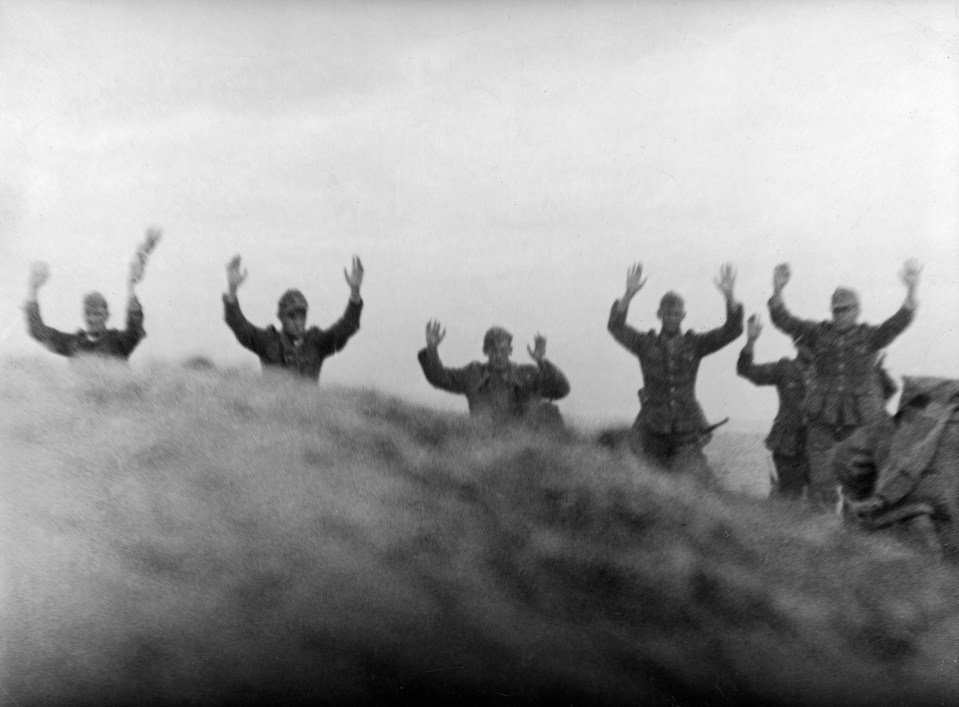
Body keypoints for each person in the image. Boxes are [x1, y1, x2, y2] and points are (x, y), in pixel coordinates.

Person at [767, 260, 920, 510]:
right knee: (820, 481)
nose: (841, 315)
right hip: (822, 419)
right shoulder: (818, 332)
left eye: (846, 309)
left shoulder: (869, 336)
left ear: (857, 310)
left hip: (860, 423)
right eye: (837, 310)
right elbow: (785, 321)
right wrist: (777, 290)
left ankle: (858, 537)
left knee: (862, 484)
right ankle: (822, 536)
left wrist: (911, 290)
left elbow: (897, 323)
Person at [607, 262, 744, 478]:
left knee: (694, 485)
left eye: (676, 313)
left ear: (683, 315)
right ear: (659, 314)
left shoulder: (695, 344)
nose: (672, 317)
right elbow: (615, 327)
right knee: (648, 483)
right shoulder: (645, 343)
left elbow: (732, 330)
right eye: (667, 313)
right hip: (652, 427)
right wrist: (629, 294)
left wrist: (729, 295)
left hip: (687, 428)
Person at [223, 254, 364, 382]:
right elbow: (238, 324)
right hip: (271, 408)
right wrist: (232, 288)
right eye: (292, 316)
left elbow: (347, 326)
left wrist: (355, 291)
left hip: (308, 409)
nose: (298, 322)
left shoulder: (316, 343)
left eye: (302, 316)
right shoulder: (267, 341)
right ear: (281, 318)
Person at [24, 227, 160, 360]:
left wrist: (131, 286)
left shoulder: (120, 342)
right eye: (89, 313)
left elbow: (135, 328)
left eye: (97, 314)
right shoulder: (74, 344)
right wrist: (33, 289)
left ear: (107, 316)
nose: (93, 319)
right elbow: (37, 331)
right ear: (83, 315)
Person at [417, 321, 570, 426]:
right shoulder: (473, 373)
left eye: (503, 350)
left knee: (548, 411)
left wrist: (541, 361)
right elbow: (438, 377)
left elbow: (562, 389)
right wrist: (432, 348)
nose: (498, 355)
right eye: (493, 350)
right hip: (485, 443)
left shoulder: (526, 374)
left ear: (510, 351)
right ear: (485, 351)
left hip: (524, 446)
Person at [736, 315, 810, 498]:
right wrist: (751, 341)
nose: (812, 347)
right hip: (787, 445)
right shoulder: (784, 369)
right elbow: (746, 370)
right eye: (807, 343)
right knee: (788, 499)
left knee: (820, 501)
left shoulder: (829, 374)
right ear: (797, 345)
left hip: (817, 443)